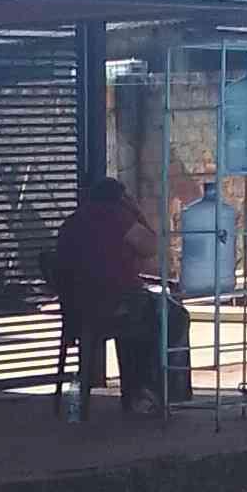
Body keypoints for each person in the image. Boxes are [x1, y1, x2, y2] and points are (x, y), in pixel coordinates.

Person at [49, 176, 165, 417]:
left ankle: (138, 391)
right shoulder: (119, 218)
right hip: (114, 306)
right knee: (166, 316)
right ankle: (145, 390)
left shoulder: (72, 222)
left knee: (141, 311)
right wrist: (137, 212)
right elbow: (152, 246)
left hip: (78, 310)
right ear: (121, 199)